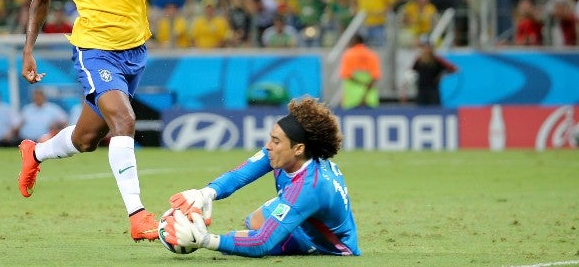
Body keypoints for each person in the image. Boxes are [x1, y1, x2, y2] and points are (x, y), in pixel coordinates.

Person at [17, 0, 183, 242]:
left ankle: (36, 153)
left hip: (135, 49)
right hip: (94, 50)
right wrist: (28, 50)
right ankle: (138, 217)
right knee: (124, 120)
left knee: (87, 139)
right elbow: (40, 0)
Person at [162, 96, 361, 257]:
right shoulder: (287, 156)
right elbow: (239, 175)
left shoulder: (309, 188)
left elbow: (261, 244)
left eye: (276, 141)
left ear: (298, 148)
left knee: (239, 240)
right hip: (306, 211)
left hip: (329, 243)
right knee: (254, 220)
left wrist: (207, 240)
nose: (268, 146)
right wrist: (206, 193)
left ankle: (301, 244)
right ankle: (288, 228)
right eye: (270, 138)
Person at [406, 37, 458, 106]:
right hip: (421, 90)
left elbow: (454, 69)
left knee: (435, 110)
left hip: (433, 90)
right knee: (420, 111)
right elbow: (411, 72)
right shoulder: (418, 61)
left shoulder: (437, 60)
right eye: (423, 47)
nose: (426, 49)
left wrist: (443, 74)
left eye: (427, 47)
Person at [338, 33, 381, 109]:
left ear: (354, 41)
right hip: (369, 98)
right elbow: (375, 77)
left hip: (352, 99)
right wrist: (364, 96)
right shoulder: (371, 55)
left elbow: (346, 74)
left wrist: (360, 84)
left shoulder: (348, 55)